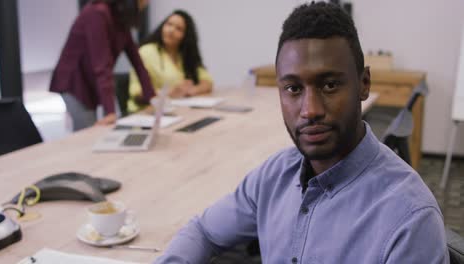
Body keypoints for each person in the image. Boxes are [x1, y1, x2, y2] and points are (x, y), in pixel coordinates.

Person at [154, 2, 449, 264]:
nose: (310, 110)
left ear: (364, 83)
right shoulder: (274, 176)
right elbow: (204, 231)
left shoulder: (410, 220)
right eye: (293, 89)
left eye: (329, 85)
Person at [50, 0, 155, 131]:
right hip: (75, 82)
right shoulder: (97, 13)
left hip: (90, 80)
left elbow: (137, 62)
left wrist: (151, 97)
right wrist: (110, 112)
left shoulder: (120, 18)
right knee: (89, 134)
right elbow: (102, 65)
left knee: (111, 130)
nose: (146, 3)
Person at [127, 10, 213, 113]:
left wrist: (191, 91)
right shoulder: (146, 52)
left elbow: (207, 81)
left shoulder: (185, 55)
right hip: (145, 113)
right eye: (169, 24)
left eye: (179, 29)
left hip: (176, 111)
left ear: (185, 36)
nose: (171, 30)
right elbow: (136, 93)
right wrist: (168, 93)